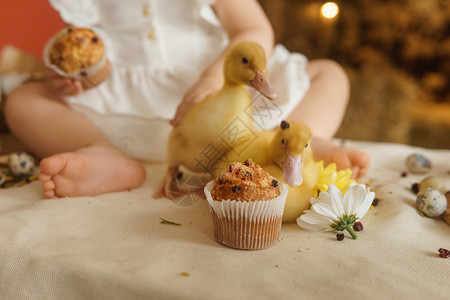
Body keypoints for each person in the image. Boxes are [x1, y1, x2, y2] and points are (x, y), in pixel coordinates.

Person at [4, 0, 369, 198]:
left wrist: (213, 76)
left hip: (225, 97)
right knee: (23, 100)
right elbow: (79, 43)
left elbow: (254, 29)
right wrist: (68, 76)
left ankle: (299, 140)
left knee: (328, 74)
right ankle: (101, 152)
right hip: (127, 109)